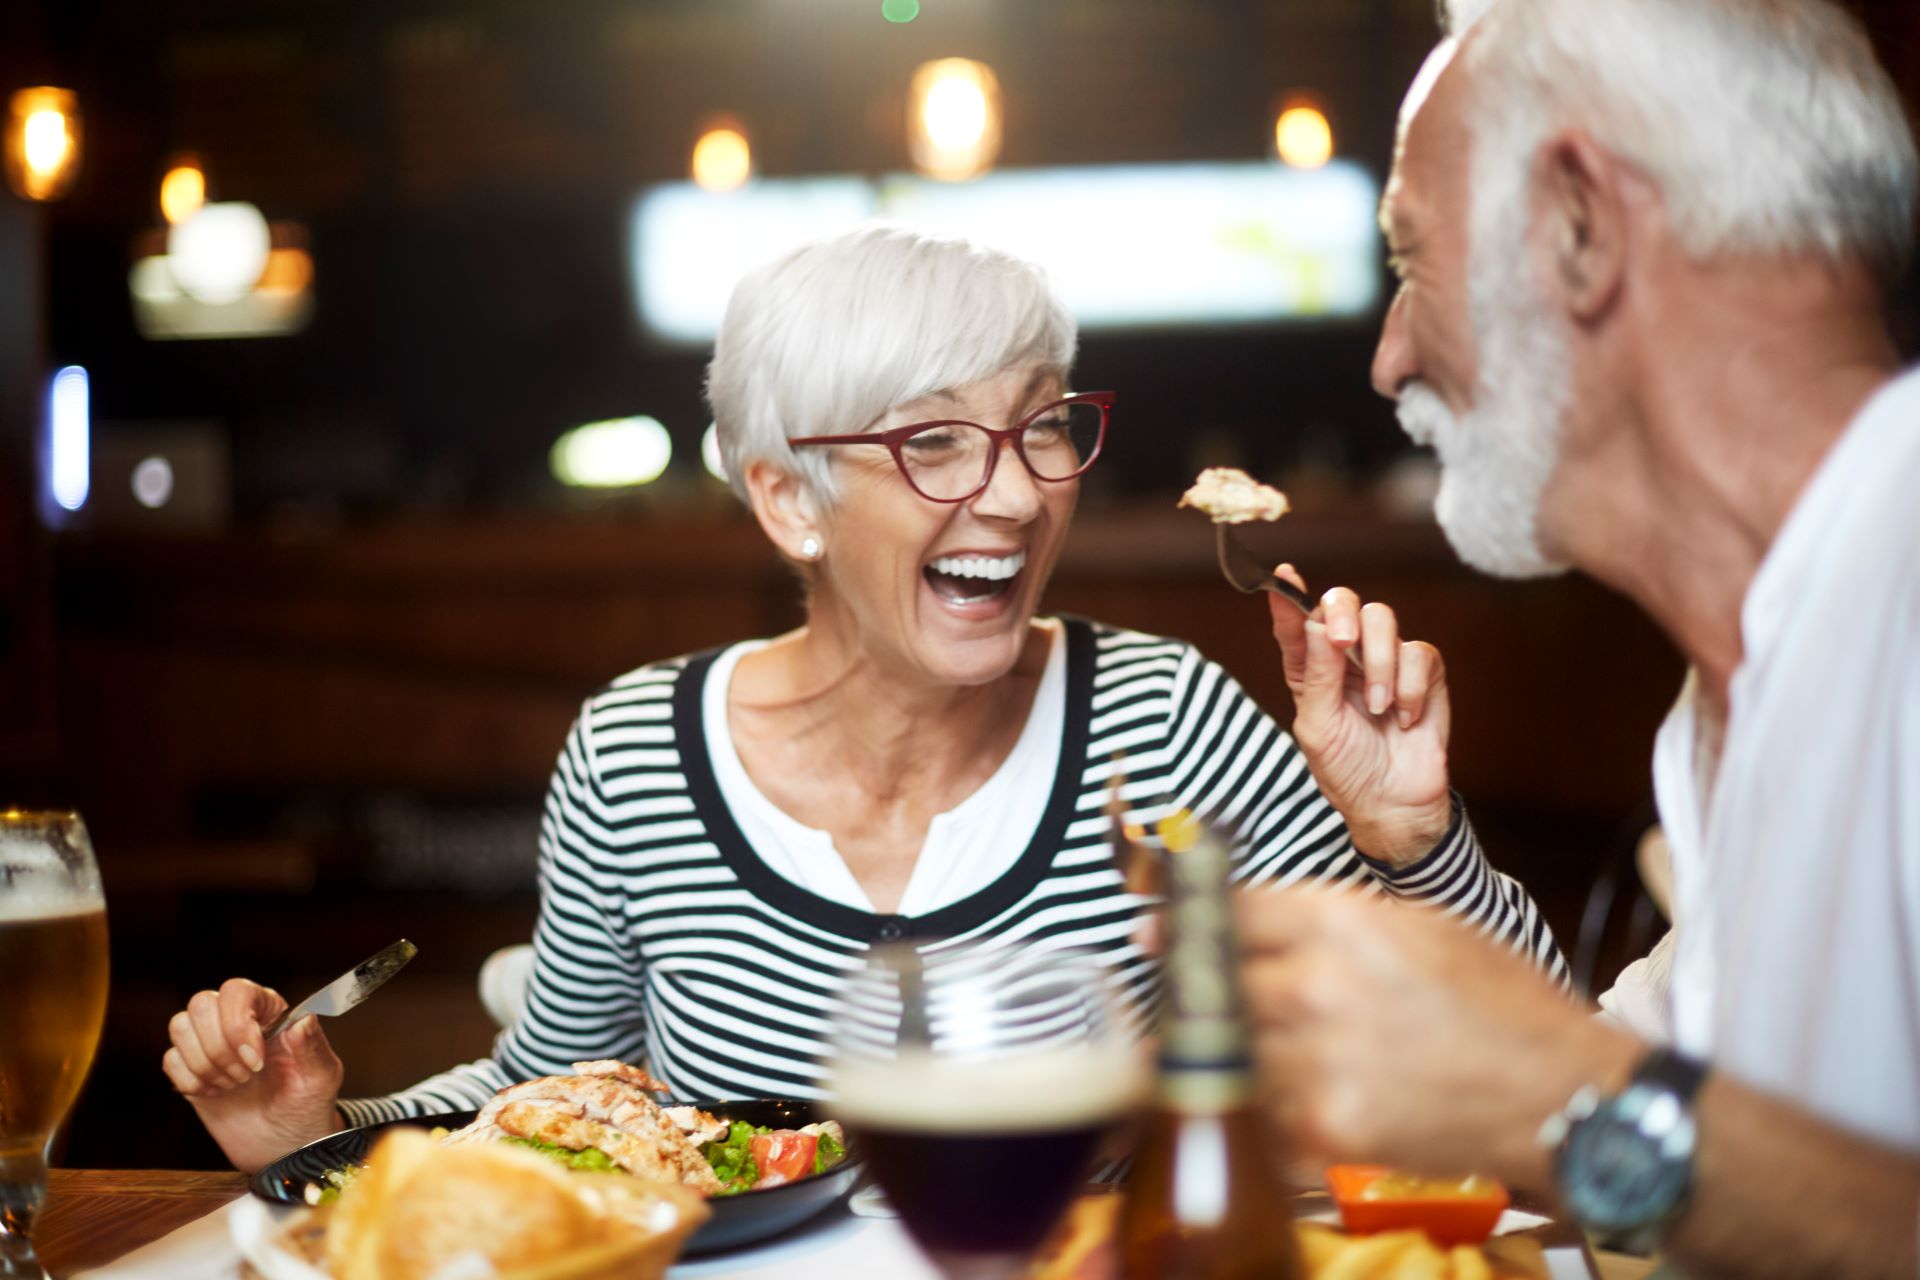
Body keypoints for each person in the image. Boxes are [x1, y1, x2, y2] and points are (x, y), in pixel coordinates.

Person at [161, 226, 1564, 1173]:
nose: (1014, 495)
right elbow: (542, 1109)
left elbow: (1549, 1071)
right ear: (788, 497)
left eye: (1041, 427)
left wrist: (1413, 842)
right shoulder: (636, 756)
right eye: (937, 442)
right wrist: (319, 1126)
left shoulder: (1167, 722)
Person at [1242, 0, 1920, 1274]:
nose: (1387, 360)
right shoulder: (1736, 690)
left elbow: (1587, 1112)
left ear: (1581, 225)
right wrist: (1422, 851)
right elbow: (1618, 1145)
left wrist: (1564, 1094)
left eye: (1411, 261)